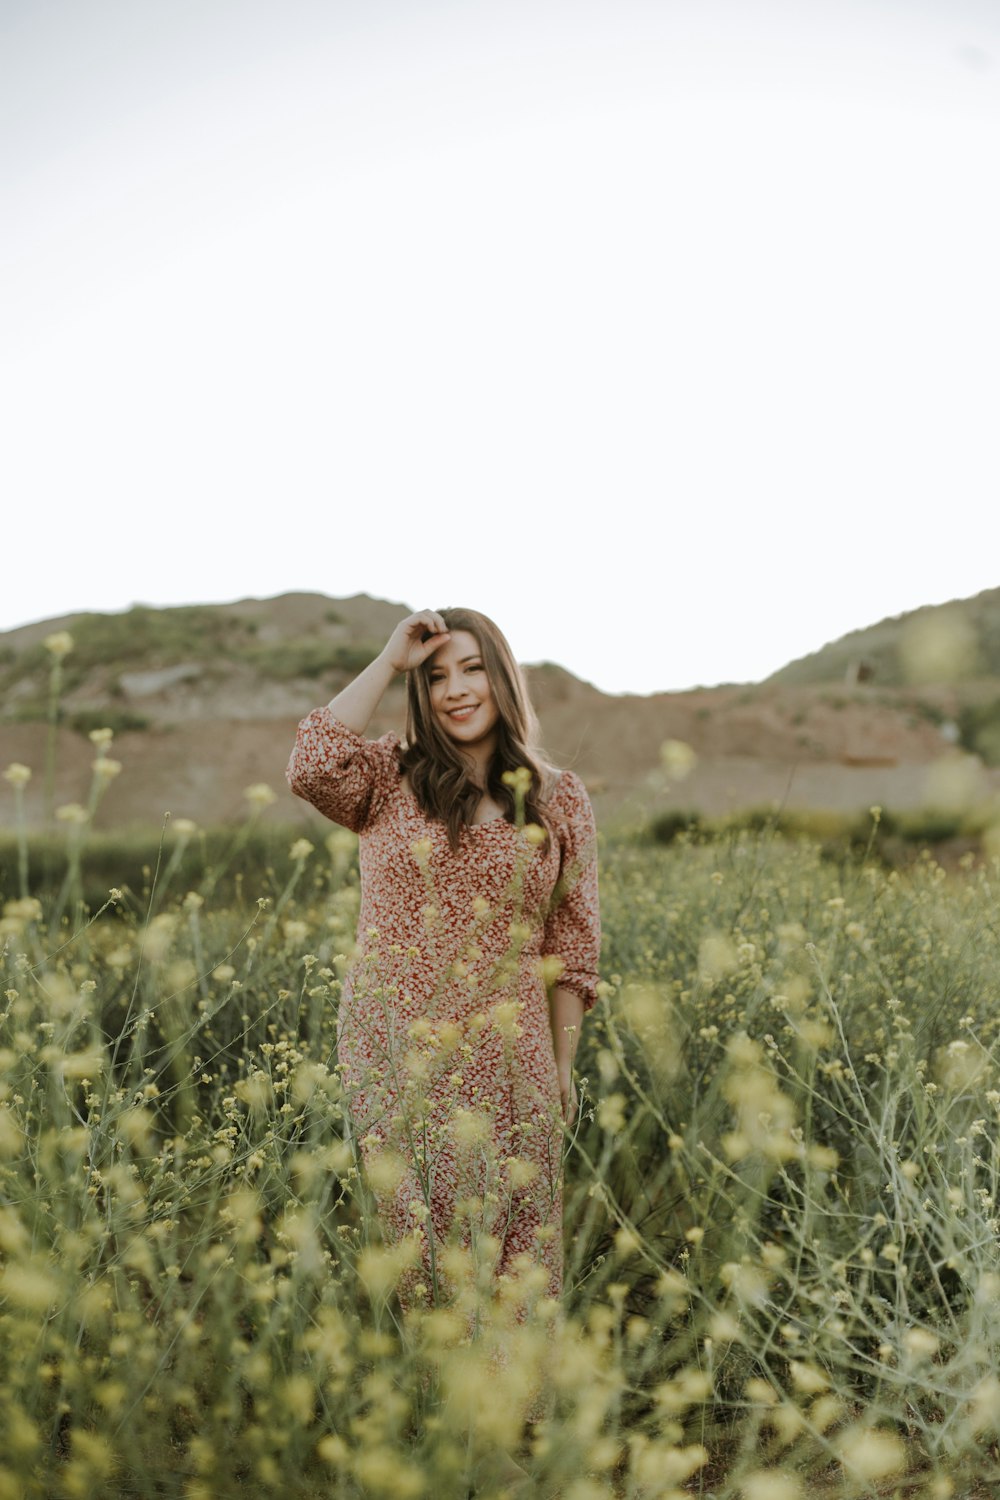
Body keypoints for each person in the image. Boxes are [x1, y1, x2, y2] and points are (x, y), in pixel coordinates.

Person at [286, 607, 600, 1321]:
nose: (456, 689)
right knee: (419, 1249)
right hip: (396, 1046)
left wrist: (561, 1067)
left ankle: (517, 1420)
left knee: (518, 1248)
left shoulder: (559, 798)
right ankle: (434, 1419)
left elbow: (572, 946)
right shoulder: (385, 777)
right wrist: (390, 658)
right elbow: (309, 764)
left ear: (503, 677)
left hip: (509, 1050)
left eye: (471, 668)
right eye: (435, 676)